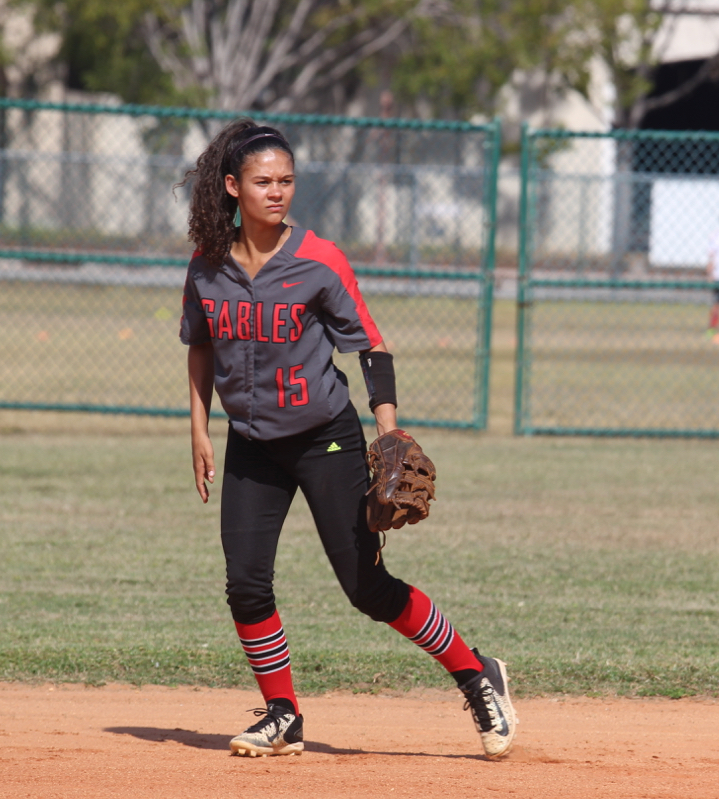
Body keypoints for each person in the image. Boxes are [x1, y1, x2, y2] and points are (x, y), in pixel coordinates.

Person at [179, 120, 518, 759]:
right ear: (232, 186)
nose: (277, 192)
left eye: (286, 181)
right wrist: (198, 429)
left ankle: (476, 674)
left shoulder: (318, 259)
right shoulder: (208, 265)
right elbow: (201, 344)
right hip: (251, 443)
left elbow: (370, 347)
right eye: (262, 181)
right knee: (245, 583)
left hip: (324, 439)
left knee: (366, 588)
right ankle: (283, 713)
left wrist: (388, 433)